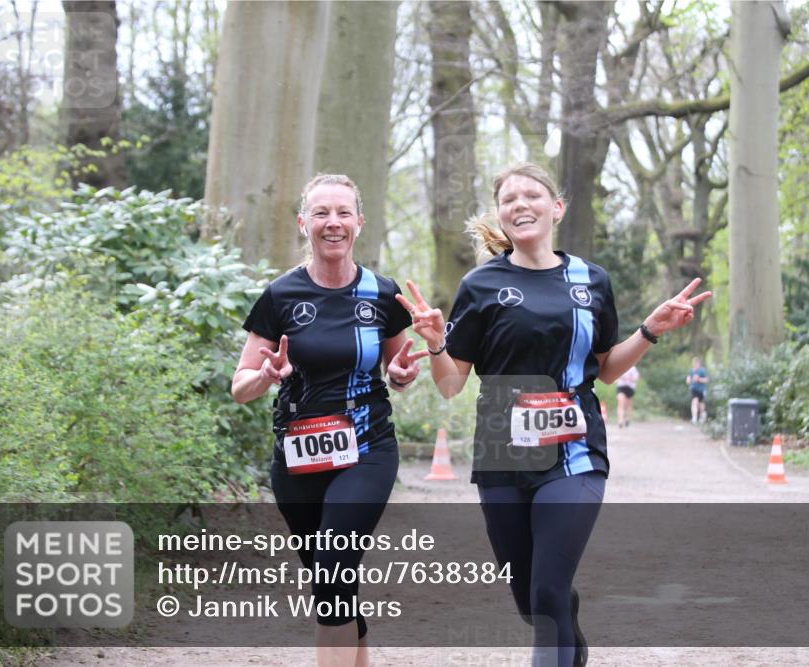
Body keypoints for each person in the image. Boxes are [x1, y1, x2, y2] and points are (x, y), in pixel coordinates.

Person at [396, 162, 711, 667]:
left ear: (556, 208)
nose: (519, 204)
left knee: (545, 590)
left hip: (574, 452)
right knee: (530, 600)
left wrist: (649, 330)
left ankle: (556, 615)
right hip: (501, 450)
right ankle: (566, 623)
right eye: (508, 199)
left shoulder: (592, 280)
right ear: (501, 217)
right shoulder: (480, 285)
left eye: (531, 195)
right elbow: (453, 383)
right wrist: (436, 345)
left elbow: (606, 370)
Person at [231, 174, 424, 667]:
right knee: (328, 581)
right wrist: (267, 375)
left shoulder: (382, 295)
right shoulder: (280, 296)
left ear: (359, 223)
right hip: (297, 456)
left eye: (343, 213)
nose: (332, 223)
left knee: (335, 564)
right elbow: (240, 387)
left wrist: (402, 375)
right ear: (304, 223)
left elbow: (399, 369)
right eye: (321, 213)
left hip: (367, 449)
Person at [686, 357, 708, 423]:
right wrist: (689, 380)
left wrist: (699, 379)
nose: (696, 365)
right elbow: (688, 380)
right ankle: (694, 417)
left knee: (701, 404)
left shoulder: (702, 371)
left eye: (697, 363)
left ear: (699, 364)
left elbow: (706, 380)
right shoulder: (691, 371)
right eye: (694, 363)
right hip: (694, 389)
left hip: (701, 390)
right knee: (694, 402)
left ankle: (703, 414)